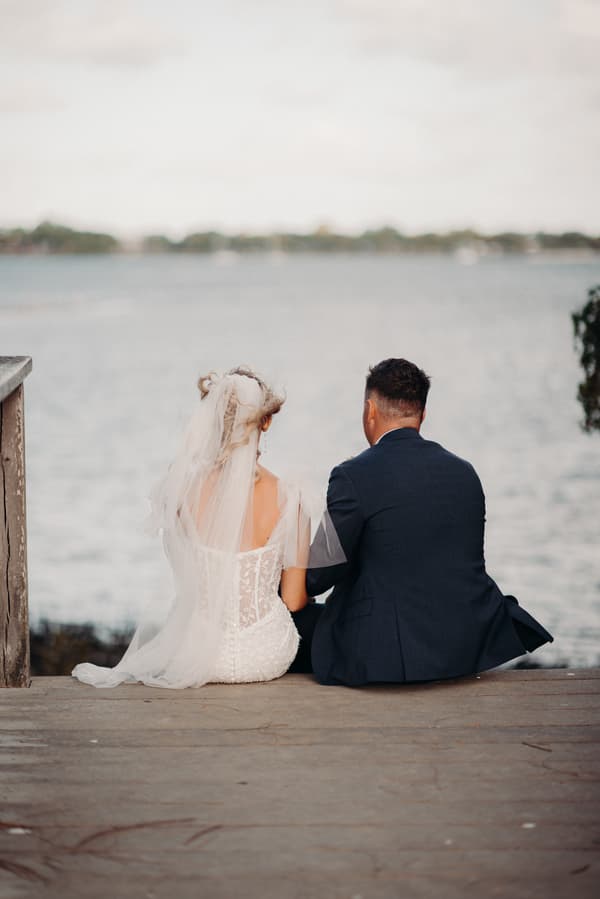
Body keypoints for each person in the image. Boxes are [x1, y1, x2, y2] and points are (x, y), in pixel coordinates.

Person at [291, 358, 554, 686]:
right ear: (422, 415)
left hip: (382, 653)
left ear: (370, 410)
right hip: (461, 646)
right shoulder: (464, 472)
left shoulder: (352, 476)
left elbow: (317, 576)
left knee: (289, 623)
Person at [71, 367, 316, 689]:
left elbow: (184, 573)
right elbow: (295, 600)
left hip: (198, 656)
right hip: (266, 653)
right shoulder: (289, 497)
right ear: (266, 420)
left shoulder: (182, 489)